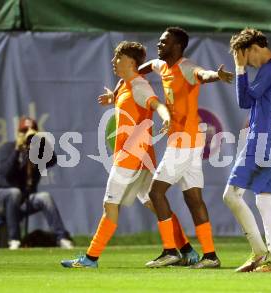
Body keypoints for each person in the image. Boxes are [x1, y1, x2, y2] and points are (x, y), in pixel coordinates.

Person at [61, 41, 174, 268]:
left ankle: (91, 258)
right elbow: (133, 100)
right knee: (155, 203)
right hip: (141, 156)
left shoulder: (139, 85)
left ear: (131, 62)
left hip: (130, 155)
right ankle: (181, 249)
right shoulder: (125, 84)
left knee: (110, 206)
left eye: (118, 58)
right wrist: (112, 99)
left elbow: (156, 104)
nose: (113, 61)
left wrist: (166, 116)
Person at [139, 27, 234, 269]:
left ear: (178, 46)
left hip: (183, 141)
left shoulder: (186, 66)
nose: (159, 45)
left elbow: (203, 74)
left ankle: (171, 250)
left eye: (164, 42)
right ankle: (211, 256)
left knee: (155, 193)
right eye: (159, 41)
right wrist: (130, 76)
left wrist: (217, 75)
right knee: (194, 199)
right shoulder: (163, 66)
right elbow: (150, 65)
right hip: (189, 142)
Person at [223, 28, 271, 273]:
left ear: (253, 48)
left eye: (244, 57)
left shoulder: (269, 69)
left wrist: (239, 69)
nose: (247, 63)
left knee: (231, 196)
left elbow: (244, 100)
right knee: (264, 200)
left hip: (261, 141)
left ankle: (258, 251)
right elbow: (266, 103)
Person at [0, 117, 73, 250]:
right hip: (0, 199)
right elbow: (6, 173)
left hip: (23, 201)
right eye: (24, 131)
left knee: (45, 197)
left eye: (31, 131)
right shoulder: (9, 147)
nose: (27, 134)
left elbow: (53, 160)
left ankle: (62, 238)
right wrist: (17, 149)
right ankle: (14, 240)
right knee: (14, 192)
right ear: (17, 133)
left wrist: (41, 143)